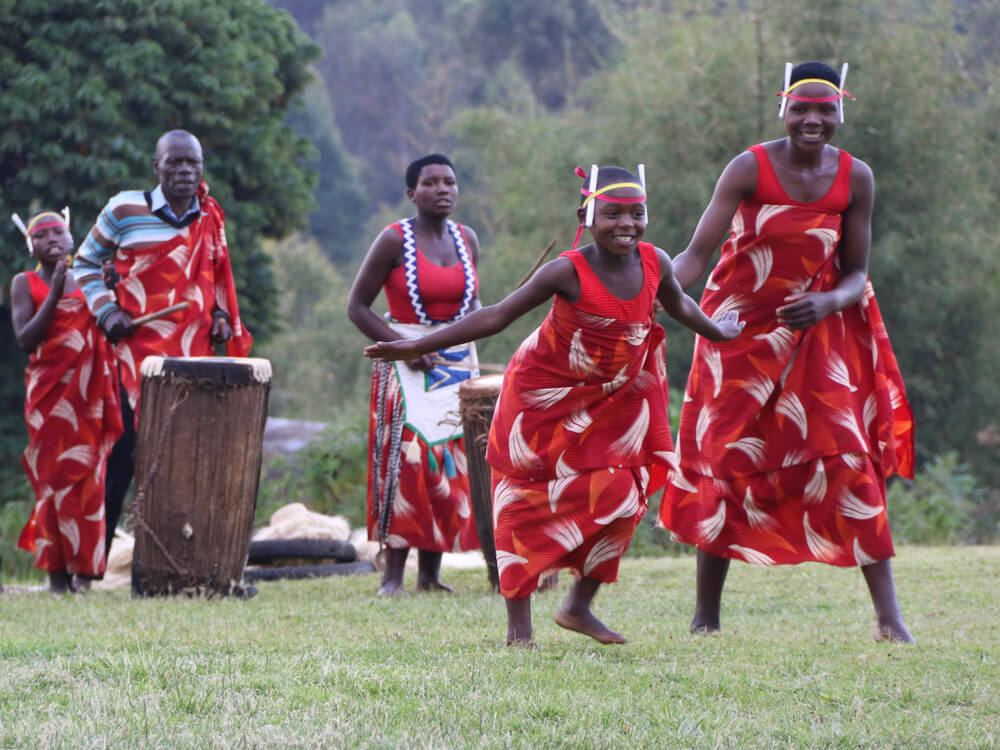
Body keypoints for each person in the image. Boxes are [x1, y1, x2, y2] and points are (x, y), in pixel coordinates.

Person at [366, 165, 744, 646]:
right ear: (587, 217)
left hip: (612, 399)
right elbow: (497, 315)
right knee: (523, 503)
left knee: (623, 496)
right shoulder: (567, 270)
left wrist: (718, 331)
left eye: (636, 213)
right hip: (542, 397)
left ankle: (577, 606)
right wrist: (413, 344)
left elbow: (679, 305)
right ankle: (519, 632)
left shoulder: (655, 262)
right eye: (613, 214)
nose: (626, 224)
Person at [657, 61, 916, 642]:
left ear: (841, 110)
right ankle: (705, 619)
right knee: (725, 460)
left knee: (847, 455)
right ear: (783, 108)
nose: (812, 119)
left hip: (815, 334)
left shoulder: (856, 177)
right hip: (734, 332)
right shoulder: (749, 167)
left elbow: (856, 273)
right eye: (801, 108)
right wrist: (658, 289)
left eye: (825, 109)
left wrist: (828, 303)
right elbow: (696, 255)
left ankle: (889, 620)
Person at [72, 129, 254, 548]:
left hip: (193, 361)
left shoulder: (210, 216)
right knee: (120, 460)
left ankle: (169, 563)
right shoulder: (124, 208)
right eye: (175, 161)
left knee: (183, 461)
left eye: (193, 162)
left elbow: (216, 280)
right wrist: (108, 311)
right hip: (131, 357)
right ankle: (92, 566)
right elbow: (85, 263)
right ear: (157, 166)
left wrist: (220, 318)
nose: (185, 170)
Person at [347, 153, 483, 596]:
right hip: (405, 359)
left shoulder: (467, 239)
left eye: (449, 182)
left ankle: (430, 575)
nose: (442, 189)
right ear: (412, 193)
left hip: (455, 361)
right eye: (430, 183)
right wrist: (403, 348)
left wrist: (473, 328)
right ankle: (392, 576)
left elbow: (474, 305)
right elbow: (357, 307)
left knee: (448, 460)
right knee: (408, 461)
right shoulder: (393, 240)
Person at [9, 209, 124, 593]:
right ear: (31, 247)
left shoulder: (90, 280)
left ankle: (84, 576)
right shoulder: (24, 283)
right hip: (48, 398)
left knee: (90, 481)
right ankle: (56, 576)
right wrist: (55, 292)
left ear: (73, 240)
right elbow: (26, 339)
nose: (52, 240)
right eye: (42, 236)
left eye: (59, 233)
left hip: (89, 396)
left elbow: (110, 329)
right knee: (51, 481)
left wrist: (112, 290)